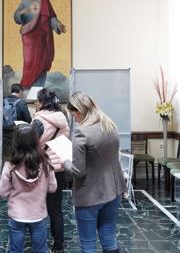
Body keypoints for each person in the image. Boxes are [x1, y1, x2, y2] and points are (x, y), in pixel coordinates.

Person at [48, 91, 127, 253]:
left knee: (88, 243)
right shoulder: (109, 124)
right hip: (114, 191)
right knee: (109, 238)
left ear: (79, 111)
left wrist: (65, 161)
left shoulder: (81, 132)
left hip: (90, 195)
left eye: (73, 115)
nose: (74, 119)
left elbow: (78, 171)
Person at [0, 124, 57, 253]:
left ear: (16, 141)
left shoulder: (10, 165)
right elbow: (53, 188)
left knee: (15, 250)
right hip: (38, 214)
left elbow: (2, 191)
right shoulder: (46, 162)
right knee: (41, 250)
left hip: (17, 214)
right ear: (35, 140)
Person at [31, 88, 70, 253]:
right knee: (56, 208)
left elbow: (31, 145)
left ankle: (39, 244)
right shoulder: (64, 118)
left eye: (37, 101)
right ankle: (58, 245)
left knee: (37, 206)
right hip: (59, 167)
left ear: (41, 102)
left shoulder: (38, 121)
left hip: (42, 167)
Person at [14, 0, 67, 89]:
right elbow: (16, 16)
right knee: (29, 61)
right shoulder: (25, 1)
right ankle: (27, 86)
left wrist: (57, 24)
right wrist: (26, 10)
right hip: (29, 36)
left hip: (43, 36)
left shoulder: (45, 0)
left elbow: (51, 16)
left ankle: (38, 89)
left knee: (42, 61)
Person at [2, 83, 32, 160]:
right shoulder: (21, 103)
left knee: (6, 157)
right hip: (17, 134)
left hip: (4, 134)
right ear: (20, 92)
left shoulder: (3, 102)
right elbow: (28, 120)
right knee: (17, 156)